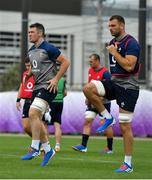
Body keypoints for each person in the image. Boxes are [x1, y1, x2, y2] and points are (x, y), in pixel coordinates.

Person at [83, 15, 140, 173]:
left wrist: (114, 52)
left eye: (113, 25)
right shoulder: (112, 43)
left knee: (125, 126)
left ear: (122, 26)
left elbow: (129, 67)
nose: (110, 28)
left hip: (129, 87)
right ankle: (107, 117)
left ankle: (127, 163)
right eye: (109, 26)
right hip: (115, 83)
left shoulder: (131, 43)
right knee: (88, 89)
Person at [21, 23, 70, 167]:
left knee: (33, 112)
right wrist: (29, 74)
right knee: (36, 118)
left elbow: (66, 62)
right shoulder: (31, 50)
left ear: (40, 34)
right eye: (29, 32)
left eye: (32, 32)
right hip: (37, 87)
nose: (29, 34)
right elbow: (36, 67)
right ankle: (48, 150)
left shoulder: (49, 48)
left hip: (48, 87)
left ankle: (35, 148)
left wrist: (56, 79)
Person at [72, 54, 114, 154]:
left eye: (91, 61)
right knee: (87, 121)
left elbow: (109, 89)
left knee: (105, 124)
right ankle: (83, 146)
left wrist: (99, 98)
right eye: (89, 61)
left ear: (97, 61)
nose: (90, 63)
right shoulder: (90, 71)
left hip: (103, 103)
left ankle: (109, 148)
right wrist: (88, 97)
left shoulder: (105, 73)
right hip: (92, 103)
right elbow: (89, 86)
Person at [16, 60, 51, 138]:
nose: (27, 67)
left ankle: (41, 145)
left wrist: (47, 103)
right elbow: (22, 86)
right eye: (26, 66)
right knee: (26, 127)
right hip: (27, 102)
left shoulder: (40, 74)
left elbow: (46, 88)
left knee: (40, 124)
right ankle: (39, 142)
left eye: (29, 66)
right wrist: (18, 100)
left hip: (37, 101)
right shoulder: (25, 74)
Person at [49, 76, 67, 152]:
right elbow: (65, 93)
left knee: (44, 124)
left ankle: (45, 145)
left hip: (51, 102)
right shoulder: (62, 79)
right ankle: (57, 145)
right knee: (57, 125)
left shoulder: (49, 78)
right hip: (60, 102)